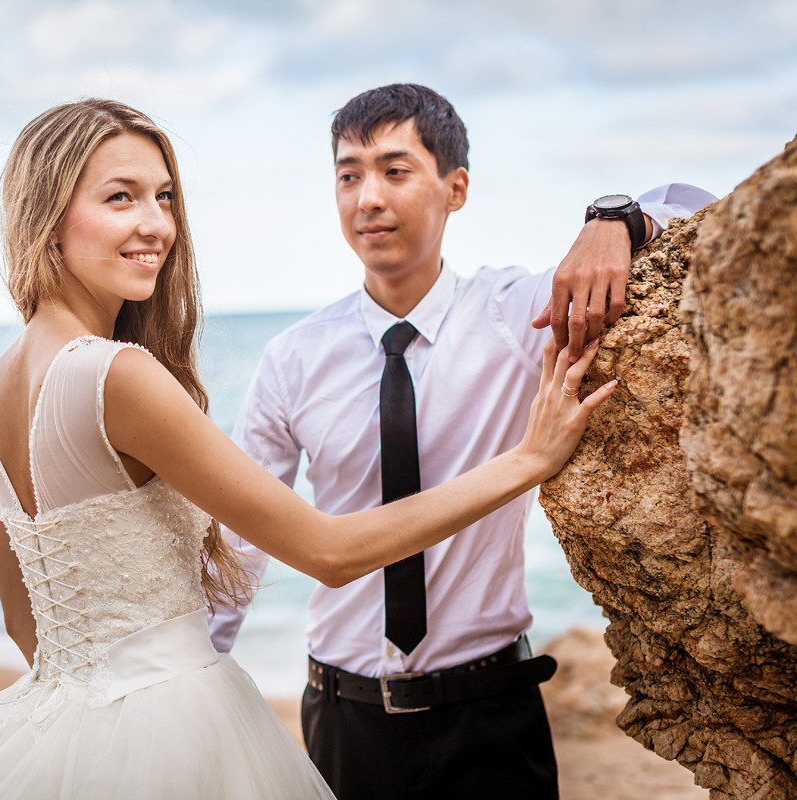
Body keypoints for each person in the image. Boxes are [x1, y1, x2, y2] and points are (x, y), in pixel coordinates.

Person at [0, 97, 616, 800]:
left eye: (164, 197)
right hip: (186, 717)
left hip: (62, 721)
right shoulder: (118, 373)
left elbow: (22, 622)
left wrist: (102, 710)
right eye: (121, 197)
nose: (157, 224)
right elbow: (325, 551)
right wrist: (529, 460)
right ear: (46, 213)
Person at [208, 83, 718, 799]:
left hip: (492, 715)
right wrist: (195, 683)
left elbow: (707, 211)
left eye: (395, 170)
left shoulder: (518, 315)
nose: (368, 198)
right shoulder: (292, 358)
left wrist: (615, 219)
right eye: (349, 175)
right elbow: (238, 544)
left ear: (456, 188)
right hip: (341, 718)